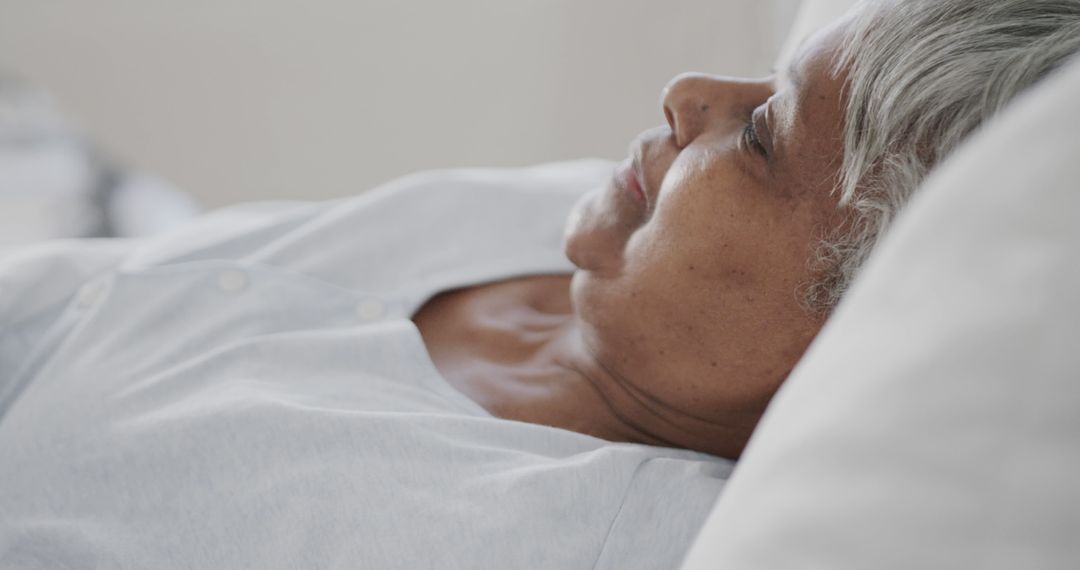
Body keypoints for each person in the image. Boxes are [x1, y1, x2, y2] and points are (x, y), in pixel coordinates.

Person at [2, 1, 1078, 568]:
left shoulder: (593, 537)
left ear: (862, 320)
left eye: (760, 137)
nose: (687, 94)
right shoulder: (590, 225)